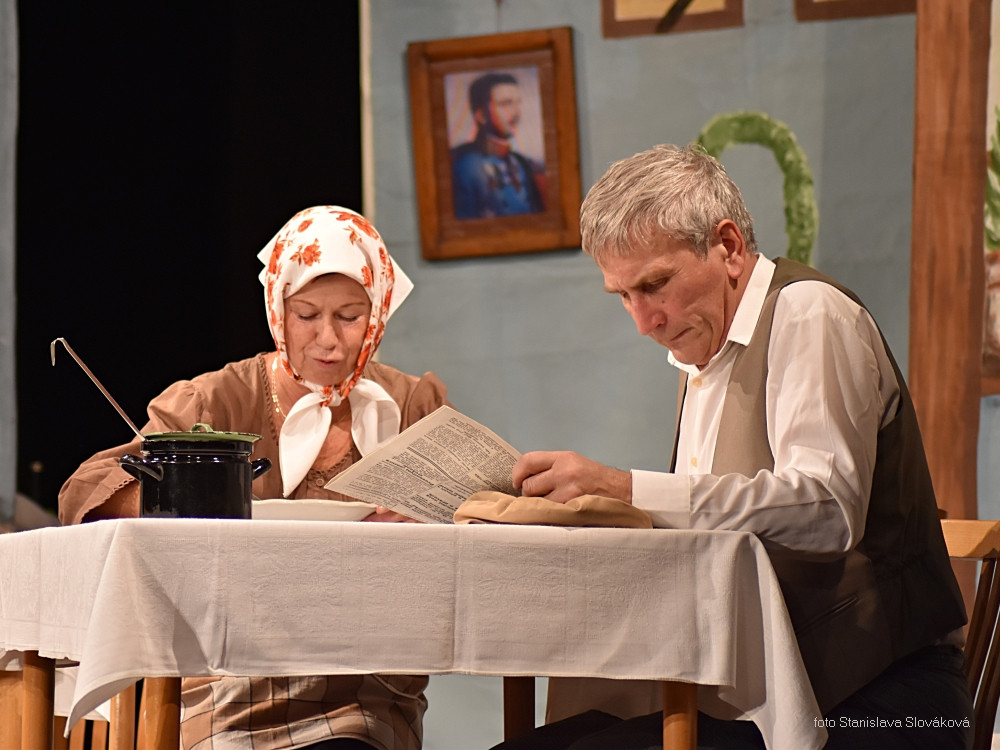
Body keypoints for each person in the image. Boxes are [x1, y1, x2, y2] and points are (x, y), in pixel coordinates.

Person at [496, 144, 973, 749]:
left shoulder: (809, 313)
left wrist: (624, 488)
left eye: (656, 284)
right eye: (623, 295)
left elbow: (826, 509)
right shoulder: (705, 351)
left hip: (885, 702)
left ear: (728, 247)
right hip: (764, 691)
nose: (643, 320)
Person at [58, 205, 451, 750]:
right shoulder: (215, 399)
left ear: (379, 312)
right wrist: (186, 495)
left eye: (349, 316)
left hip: (365, 685)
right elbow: (85, 489)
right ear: (277, 308)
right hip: (226, 683)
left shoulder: (410, 405)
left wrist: (435, 512)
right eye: (307, 315)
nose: (329, 340)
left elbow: (474, 506)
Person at [450, 71, 545, 220]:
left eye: (517, 103)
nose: (516, 113)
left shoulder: (523, 164)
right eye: (506, 104)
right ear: (481, 115)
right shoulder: (463, 166)